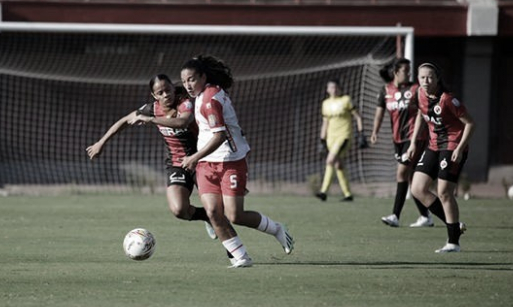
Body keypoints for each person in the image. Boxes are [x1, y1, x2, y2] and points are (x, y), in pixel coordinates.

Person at [179, 55, 294, 268]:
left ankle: (277, 229)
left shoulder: (210, 100)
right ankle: (241, 257)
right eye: (184, 81)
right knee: (213, 212)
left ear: (203, 77)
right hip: (207, 164)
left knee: (235, 215)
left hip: (230, 162)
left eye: (192, 79)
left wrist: (194, 157)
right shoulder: (204, 93)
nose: (187, 85)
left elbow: (219, 136)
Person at [86, 74, 219, 241]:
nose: (165, 95)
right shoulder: (152, 108)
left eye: (168, 90)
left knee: (217, 209)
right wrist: (101, 142)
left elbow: (183, 122)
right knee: (179, 210)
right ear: (154, 95)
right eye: (160, 92)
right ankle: (206, 216)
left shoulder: (185, 103)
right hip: (177, 164)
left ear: (173, 88)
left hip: (201, 161)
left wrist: (151, 120)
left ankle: (234, 252)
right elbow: (125, 121)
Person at [407, 63, 474, 253]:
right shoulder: (420, 94)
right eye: (422, 77)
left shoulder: (448, 100)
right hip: (433, 145)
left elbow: (470, 123)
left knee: (444, 192)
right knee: (418, 189)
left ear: (437, 79)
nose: (426, 81)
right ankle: (454, 225)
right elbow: (421, 113)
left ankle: (453, 243)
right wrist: (413, 142)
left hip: (452, 146)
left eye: (429, 77)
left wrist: (460, 148)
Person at [371, 58, 434, 228]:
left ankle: (395, 216)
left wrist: (416, 140)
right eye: (405, 70)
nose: (409, 73)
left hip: (415, 138)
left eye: (409, 69)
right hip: (398, 140)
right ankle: (425, 216)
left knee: (401, 174)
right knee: (413, 181)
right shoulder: (385, 90)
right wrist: (375, 132)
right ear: (395, 72)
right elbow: (379, 113)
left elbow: (423, 112)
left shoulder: (415, 89)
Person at [315, 79, 367, 202]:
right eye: (331, 87)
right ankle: (348, 194)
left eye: (335, 87)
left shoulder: (346, 100)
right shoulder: (325, 103)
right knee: (338, 164)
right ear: (327, 90)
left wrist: (361, 133)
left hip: (344, 136)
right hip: (330, 138)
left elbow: (358, 117)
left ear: (340, 88)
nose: (334, 89)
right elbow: (325, 123)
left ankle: (323, 192)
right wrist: (322, 140)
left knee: (330, 160)